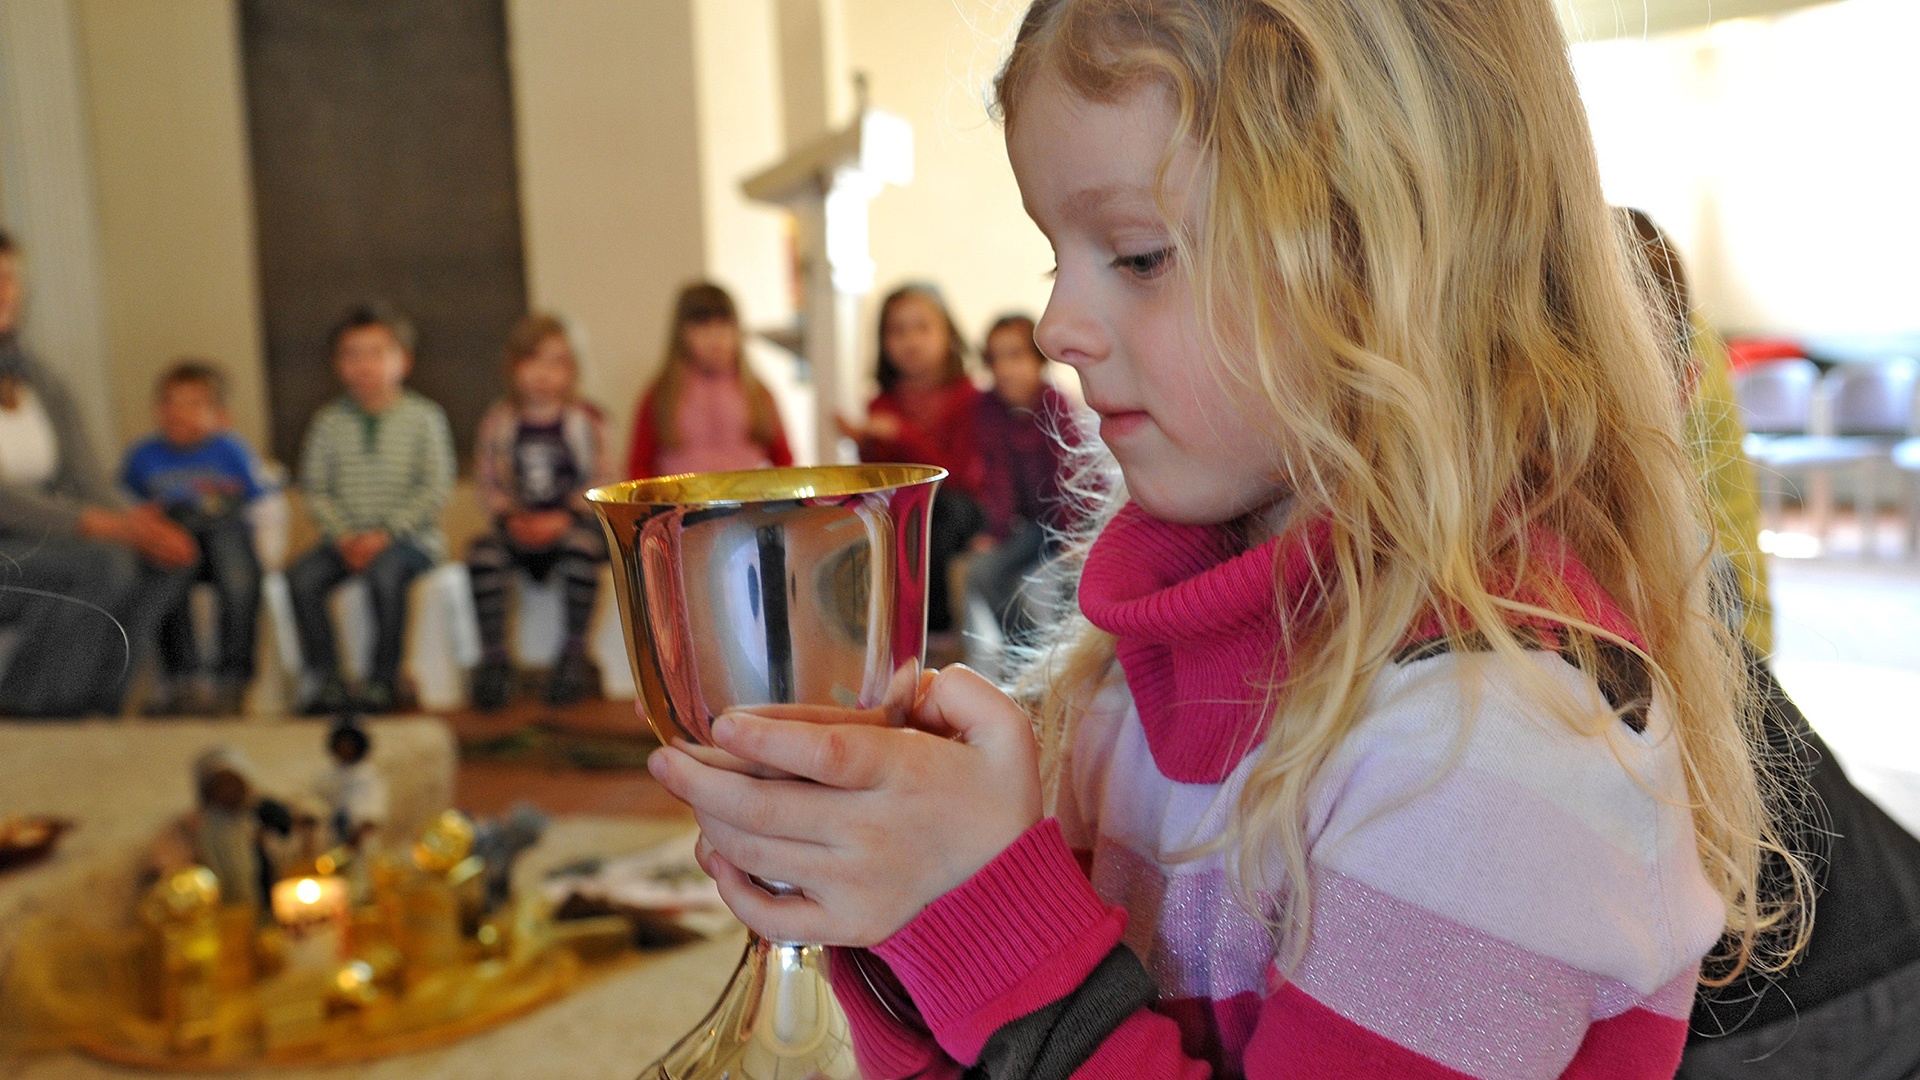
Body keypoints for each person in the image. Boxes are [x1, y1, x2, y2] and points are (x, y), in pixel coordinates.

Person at [648, 3, 1808, 1078]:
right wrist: (891, 902)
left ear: (1393, 257)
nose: (1057, 324)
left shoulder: (1503, 746)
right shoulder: (1123, 682)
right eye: (1060, 253)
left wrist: (980, 918)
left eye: (1140, 255)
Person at [0, 229, 197, 717]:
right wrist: (109, 527)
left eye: (9, 279)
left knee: (166, 556)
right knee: (101, 565)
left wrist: (144, 526)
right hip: (14, 542)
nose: (3, 292)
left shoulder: (39, 379)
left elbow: (88, 477)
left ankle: (98, 708)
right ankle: (27, 711)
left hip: (45, 540)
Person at [287, 304, 455, 715]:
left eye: (377, 352)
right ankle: (327, 679)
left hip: (409, 541)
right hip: (342, 540)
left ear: (404, 360)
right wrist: (342, 534)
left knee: (387, 574)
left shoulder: (424, 418)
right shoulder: (327, 423)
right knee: (302, 578)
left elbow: (434, 486)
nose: (364, 364)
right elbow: (316, 488)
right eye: (351, 354)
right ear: (337, 364)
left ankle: (383, 679)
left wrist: (386, 534)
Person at [468, 314, 617, 710]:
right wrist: (511, 516)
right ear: (513, 366)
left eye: (557, 362)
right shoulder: (499, 423)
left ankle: (573, 654)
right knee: (482, 554)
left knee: (582, 552)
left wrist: (566, 515)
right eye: (533, 361)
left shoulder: (588, 421)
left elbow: (603, 480)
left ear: (572, 370)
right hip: (518, 524)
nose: (543, 374)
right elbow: (487, 482)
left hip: (572, 524)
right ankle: (495, 659)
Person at [837, 284, 986, 639]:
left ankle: (932, 631)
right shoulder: (882, 403)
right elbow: (879, 478)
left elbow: (958, 475)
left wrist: (902, 435)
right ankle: (866, 632)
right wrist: (866, 443)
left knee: (936, 514)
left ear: (947, 334)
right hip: (907, 503)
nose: (911, 341)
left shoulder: (968, 397)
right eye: (898, 330)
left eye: (922, 328)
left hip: (961, 505)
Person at [120, 361, 268, 715]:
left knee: (240, 581)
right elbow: (125, 504)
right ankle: (182, 680)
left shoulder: (232, 451)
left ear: (221, 416)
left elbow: (261, 503)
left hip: (224, 533)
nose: (178, 413)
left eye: (193, 404)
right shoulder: (143, 456)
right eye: (169, 402)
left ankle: (232, 680)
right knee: (164, 581)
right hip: (173, 537)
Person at [967, 313, 1080, 649]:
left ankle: (1067, 658)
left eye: (1015, 356)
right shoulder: (988, 408)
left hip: (1071, 522)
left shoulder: (1055, 403)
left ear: (1039, 360)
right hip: (1031, 526)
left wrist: (1073, 536)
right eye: (995, 358)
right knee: (982, 572)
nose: (1004, 369)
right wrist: (996, 532)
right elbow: (997, 477)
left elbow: (1070, 476)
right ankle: (1027, 652)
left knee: (1073, 579)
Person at [626, 282, 793, 480]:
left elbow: (785, 463)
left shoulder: (757, 393)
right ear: (681, 334)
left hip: (748, 507)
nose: (715, 338)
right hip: (680, 508)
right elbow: (639, 466)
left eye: (724, 325)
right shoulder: (661, 395)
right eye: (703, 326)